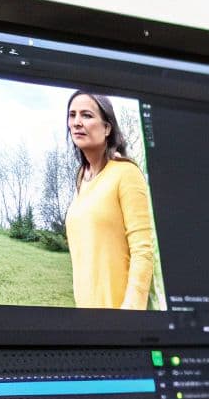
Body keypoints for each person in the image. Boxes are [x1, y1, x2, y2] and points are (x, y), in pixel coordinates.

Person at [64, 90, 157, 309]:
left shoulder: (126, 173)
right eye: (72, 115)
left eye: (86, 115)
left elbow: (143, 251)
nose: (77, 122)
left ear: (107, 128)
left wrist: (130, 315)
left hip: (119, 317)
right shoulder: (81, 178)